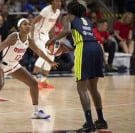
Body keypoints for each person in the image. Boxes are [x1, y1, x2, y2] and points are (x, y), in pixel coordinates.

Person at [0, 18, 58, 125]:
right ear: (19, 27)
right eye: (25, 24)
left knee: (33, 83)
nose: (28, 25)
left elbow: (39, 52)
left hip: (13, 65)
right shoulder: (14, 37)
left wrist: (49, 62)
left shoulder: (29, 40)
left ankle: (36, 112)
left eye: (29, 24)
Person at [48, 2, 108, 132]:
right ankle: (101, 121)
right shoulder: (87, 20)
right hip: (96, 47)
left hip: (84, 48)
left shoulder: (68, 17)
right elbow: (81, 37)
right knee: (93, 88)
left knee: (82, 88)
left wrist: (52, 40)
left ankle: (89, 123)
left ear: (70, 11)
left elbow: (67, 31)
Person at [31, 0, 61, 89]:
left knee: (51, 56)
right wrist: (32, 38)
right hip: (38, 34)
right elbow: (33, 22)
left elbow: (53, 25)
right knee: (43, 55)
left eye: (60, 1)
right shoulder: (46, 10)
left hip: (46, 35)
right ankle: (34, 81)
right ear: (52, 2)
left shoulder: (58, 12)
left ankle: (43, 81)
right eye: (56, 1)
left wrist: (53, 38)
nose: (59, 3)